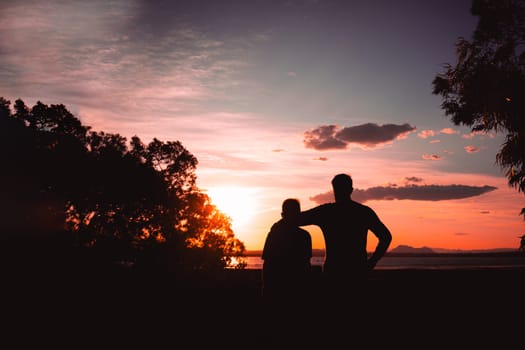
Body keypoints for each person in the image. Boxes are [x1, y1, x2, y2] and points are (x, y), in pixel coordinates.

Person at [297, 173, 392, 299]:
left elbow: (297, 219)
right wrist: (372, 262)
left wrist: (288, 211)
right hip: (356, 271)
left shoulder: (326, 212)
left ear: (334, 189)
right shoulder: (363, 212)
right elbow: (385, 236)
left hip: (334, 272)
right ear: (351, 190)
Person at [261, 198, 313, 302]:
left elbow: (267, 262)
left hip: (277, 289)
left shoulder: (274, 232)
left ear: (283, 214)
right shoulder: (304, 236)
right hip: (295, 290)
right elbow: (306, 265)